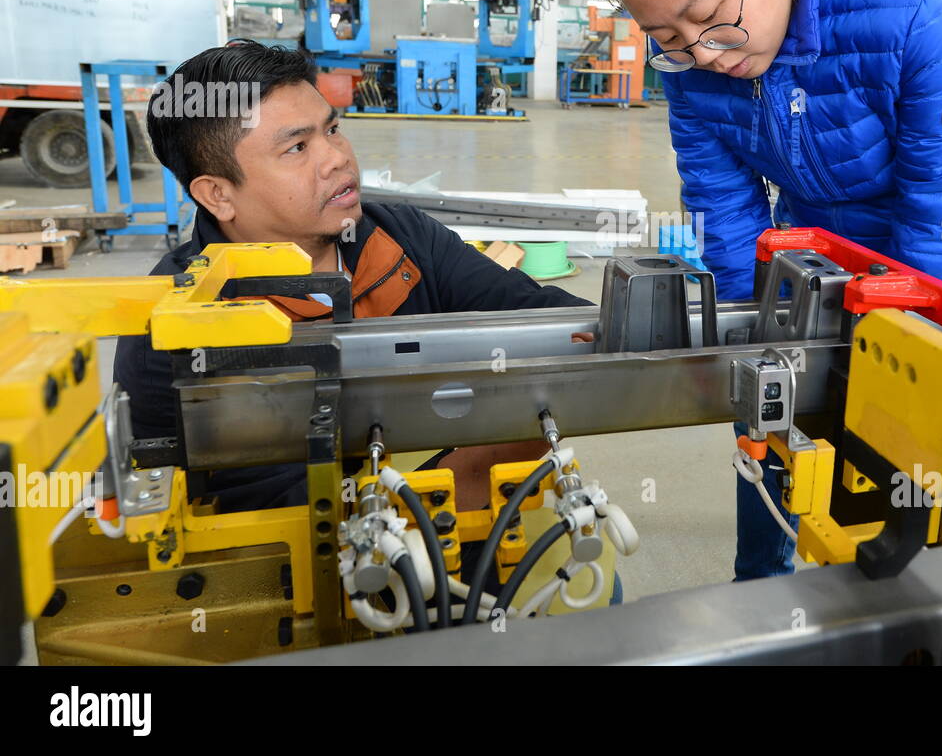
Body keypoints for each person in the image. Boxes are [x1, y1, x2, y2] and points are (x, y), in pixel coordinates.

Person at [587, 0, 942, 581]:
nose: (704, 55)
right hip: (816, 232)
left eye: (710, 18)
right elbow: (721, 200)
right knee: (769, 402)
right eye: (667, 39)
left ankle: (914, 586)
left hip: (939, 220)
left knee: (906, 436)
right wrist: (749, 330)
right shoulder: (691, 52)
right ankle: (760, 579)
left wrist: (896, 358)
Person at [113, 41, 590, 516]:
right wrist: (470, 470)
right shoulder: (174, 325)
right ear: (218, 195)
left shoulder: (403, 238)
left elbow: (551, 318)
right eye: (297, 147)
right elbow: (244, 512)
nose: (337, 157)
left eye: (333, 130)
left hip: (442, 520)